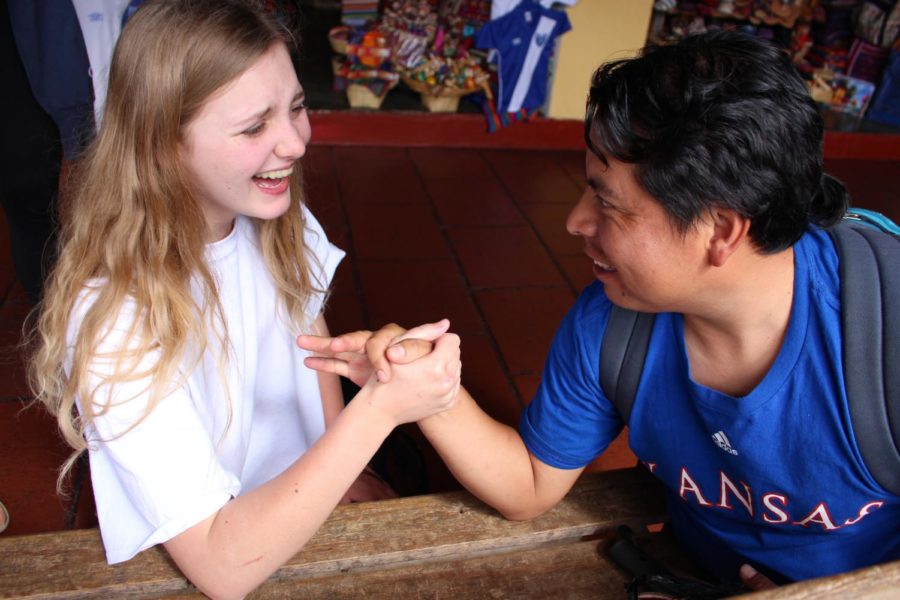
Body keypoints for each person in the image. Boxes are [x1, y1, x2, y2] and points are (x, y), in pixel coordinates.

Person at [299, 30, 900, 588]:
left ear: (719, 231)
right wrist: (431, 391)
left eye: (608, 203)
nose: (575, 221)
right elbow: (531, 484)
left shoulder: (884, 331)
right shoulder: (612, 322)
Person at [27, 1, 461, 598]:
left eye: (297, 108)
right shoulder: (116, 319)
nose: (294, 142)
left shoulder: (276, 218)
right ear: (161, 144)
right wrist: (379, 411)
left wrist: (349, 464)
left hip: (312, 493)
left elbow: (314, 343)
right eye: (255, 127)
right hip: (222, 545)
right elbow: (219, 566)